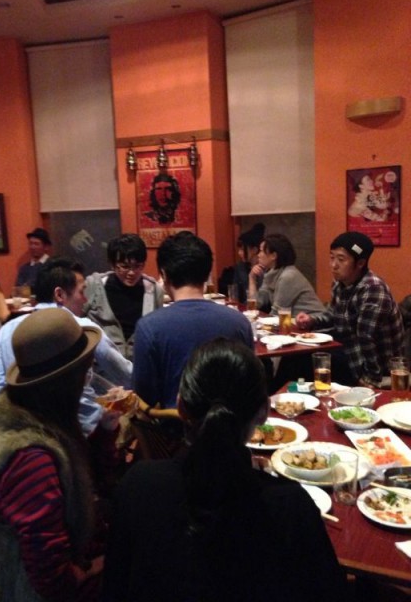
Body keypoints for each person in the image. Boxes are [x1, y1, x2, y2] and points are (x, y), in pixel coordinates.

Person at [104, 339, 348, 602]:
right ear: (264, 412)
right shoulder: (290, 505)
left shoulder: (138, 484)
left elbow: (114, 587)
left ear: (181, 406)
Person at [0, 308, 103, 601]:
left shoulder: (10, 420)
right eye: (85, 372)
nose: (88, 379)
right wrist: (96, 568)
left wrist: (105, 434)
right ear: (67, 383)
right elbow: (52, 580)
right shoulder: (30, 459)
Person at [0, 257, 132, 436]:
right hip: (84, 432)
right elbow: (125, 374)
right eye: (81, 292)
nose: (85, 300)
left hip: (24, 432)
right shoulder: (83, 328)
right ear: (60, 294)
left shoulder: (7, 329)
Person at [132, 232, 254, 408]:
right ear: (207, 274)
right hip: (233, 423)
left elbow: (145, 396)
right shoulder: (239, 322)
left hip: (174, 423)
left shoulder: (149, 327)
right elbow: (249, 384)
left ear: (164, 275)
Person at [296, 231, 404, 387]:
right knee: (299, 354)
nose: (333, 265)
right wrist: (312, 320)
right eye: (332, 257)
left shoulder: (373, 289)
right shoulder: (340, 283)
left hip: (378, 367)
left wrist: (369, 379)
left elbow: (366, 338)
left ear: (360, 263)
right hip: (350, 352)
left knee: (304, 361)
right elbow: (333, 314)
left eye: (341, 259)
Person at [84, 234, 163, 360]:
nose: (132, 273)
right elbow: (77, 321)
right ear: (112, 264)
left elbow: (158, 330)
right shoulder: (94, 285)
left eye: (138, 266)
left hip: (138, 363)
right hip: (102, 363)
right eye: (125, 267)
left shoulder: (153, 290)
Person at [248, 233, 324, 316]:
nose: (258, 255)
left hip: (314, 322)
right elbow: (256, 304)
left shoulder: (288, 276)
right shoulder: (271, 273)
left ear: (273, 256)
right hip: (295, 322)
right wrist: (252, 278)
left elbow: (276, 314)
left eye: (261, 251)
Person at [218, 222, 266, 302]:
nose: (239, 253)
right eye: (239, 249)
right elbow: (235, 292)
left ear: (254, 250)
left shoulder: (265, 269)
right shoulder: (240, 267)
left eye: (242, 250)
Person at [16, 227, 52, 292]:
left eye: (36, 244)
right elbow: (17, 291)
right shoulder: (24, 269)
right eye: (30, 243)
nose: (32, 247)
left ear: (46, 247)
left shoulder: (52, 265)